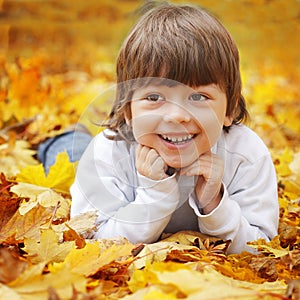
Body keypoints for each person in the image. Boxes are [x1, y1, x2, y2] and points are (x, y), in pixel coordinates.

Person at [47, 2, 279, 254]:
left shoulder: (246, 153)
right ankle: (67, 137)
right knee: (70, 157)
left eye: (199, 97)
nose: (177, 116)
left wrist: (215, 204)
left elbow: (262, 249)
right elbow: (92, 245)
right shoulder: (107, 153)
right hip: (94, 154)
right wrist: (154, 197)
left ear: (230, 109)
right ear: (128, 109)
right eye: (155, 98)